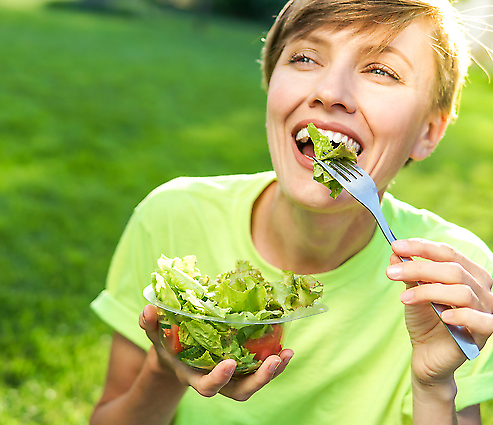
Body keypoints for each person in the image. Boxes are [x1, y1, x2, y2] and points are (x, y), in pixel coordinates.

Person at [89, 0, 493, 424]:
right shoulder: (173, 217)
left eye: (380, 71)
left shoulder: (453, 282)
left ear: (428, 133)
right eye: (304, 57)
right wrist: (167, 366)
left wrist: (434, 388)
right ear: (270, 83)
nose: (331, 93)